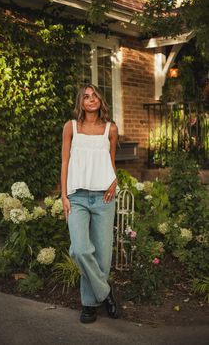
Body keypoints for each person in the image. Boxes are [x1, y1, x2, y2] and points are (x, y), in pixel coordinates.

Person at [61, 84, 119, 323]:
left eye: (94, 95)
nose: (91, 99)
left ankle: (89, 305)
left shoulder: (110, 129)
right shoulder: (71, 127)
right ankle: (105, 293)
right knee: (80, 249)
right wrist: (64, 195)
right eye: (86, 96)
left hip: (104, 196)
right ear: (81, 103)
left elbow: (111, 161)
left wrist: (115, 182)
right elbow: (65, 162)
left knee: (103, 256)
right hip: (77, 197)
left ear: (100, 100)